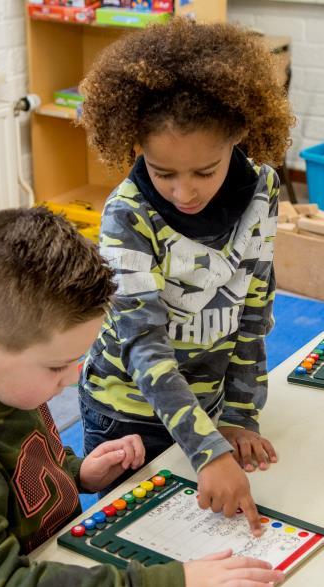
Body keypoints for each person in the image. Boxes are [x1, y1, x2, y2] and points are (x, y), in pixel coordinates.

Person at [0, 206, 283, 587]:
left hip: (55, 568)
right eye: (57, 367)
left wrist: (78, 472)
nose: (70, 381)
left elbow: (22, 465)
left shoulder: (2, 380)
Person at [79, 19, 295, 534]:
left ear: (239, 136)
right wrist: (208, 449)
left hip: (212, 403)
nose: (184, 193)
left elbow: (254, 309)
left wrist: (240, 414)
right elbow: (144, 347)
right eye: (162, 172)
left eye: (205, 170)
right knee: (136, 545)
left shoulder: (262, 190)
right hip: (126, 413)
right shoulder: (126, 217)